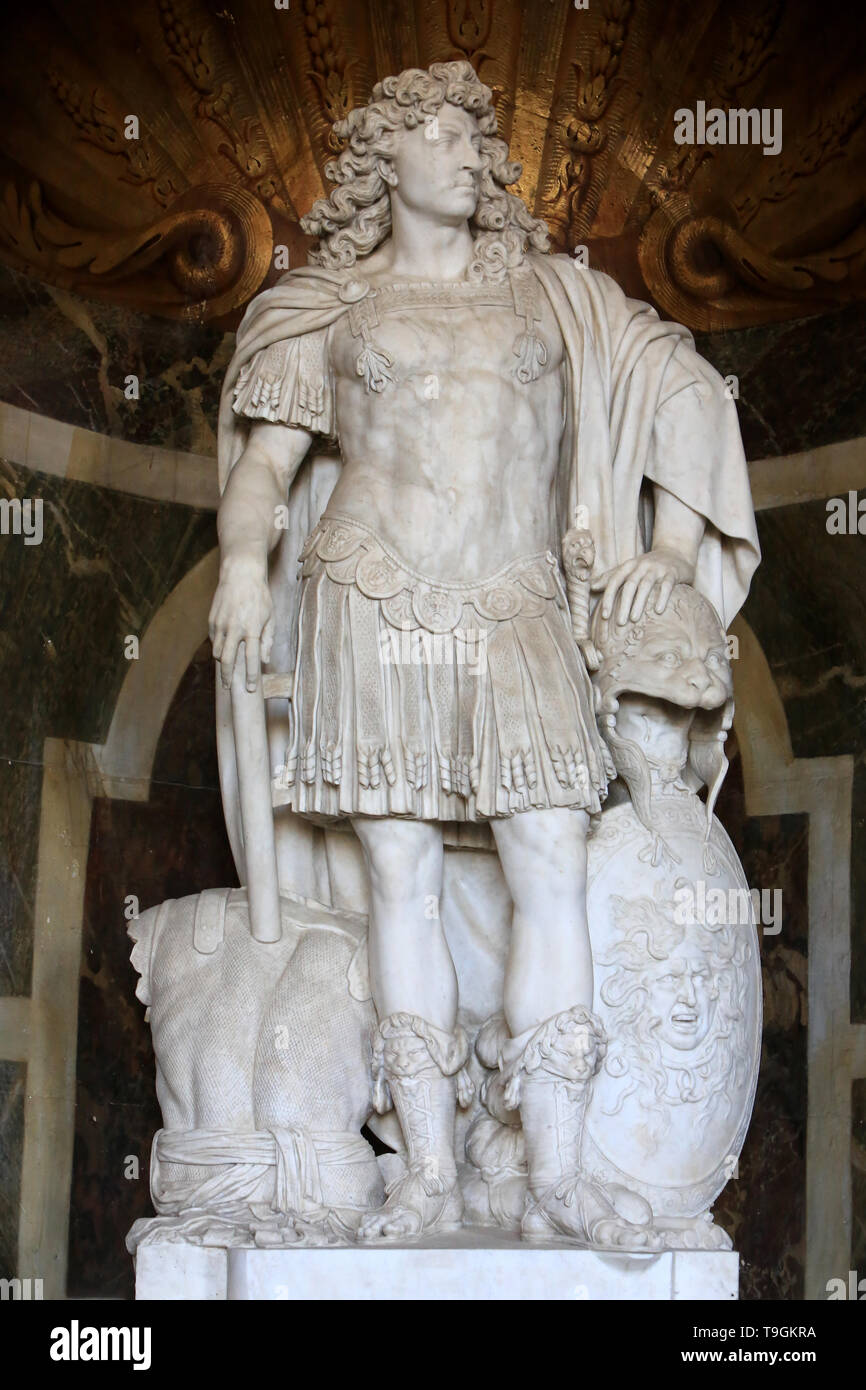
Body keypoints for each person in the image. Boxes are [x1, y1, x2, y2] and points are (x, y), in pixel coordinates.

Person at [211, 61, 759, 1244]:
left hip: (517, 606)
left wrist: (665, 550)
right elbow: (263, 467)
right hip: (372, 598)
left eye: (479, 138)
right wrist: (249, 567)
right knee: (399, 884)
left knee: (547, 861)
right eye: (447, 135)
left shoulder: (551, 299)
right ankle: (423, 1177)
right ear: (384, 160)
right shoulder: (329, 308)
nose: (474, 155)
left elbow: (675, 382)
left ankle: (555, 1176)